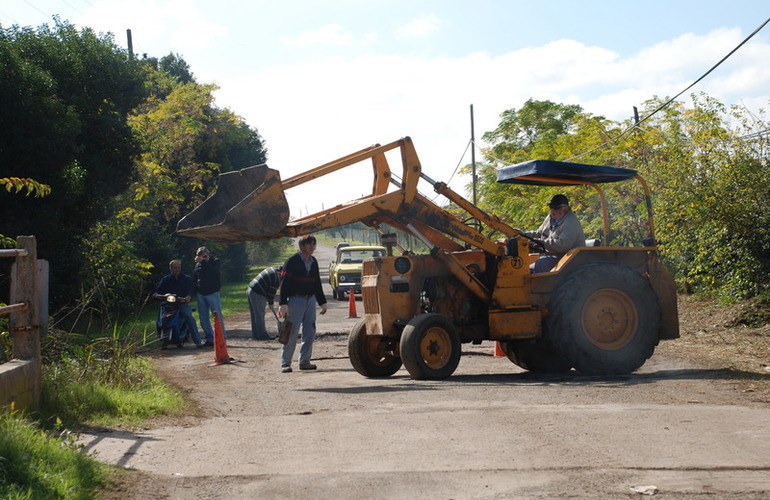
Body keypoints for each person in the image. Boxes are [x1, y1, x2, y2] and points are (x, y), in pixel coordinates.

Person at [278, 235, 327, 373]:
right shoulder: (292, 261)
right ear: (302, 246)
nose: (312, 247)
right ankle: (285, 363)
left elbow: (317, 283)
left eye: (313, 244)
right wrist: (283, 303)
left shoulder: (314, 262)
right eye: (309, 244)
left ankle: (304, 361)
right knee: (292, 332)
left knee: (310, 331)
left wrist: (322, 302)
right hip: (295, 300)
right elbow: (284, 283)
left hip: (310, 300)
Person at [525, 194, 586, 273]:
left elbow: (562, 245)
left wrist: (541, 242)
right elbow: (539, 233)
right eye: (551, 208)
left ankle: (540, 285)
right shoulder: (551, 217)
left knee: (542, 263)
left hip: (568, 259)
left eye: (555, 209)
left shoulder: (571, 222)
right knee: (526, 268)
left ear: (564, 209)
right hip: (552, 255)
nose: (552, 211)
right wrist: (523, 235)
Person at [153, 259, 203, 347]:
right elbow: (158, 290)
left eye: (178, 267)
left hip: (182, 303)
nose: (177, 269)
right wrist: (157, 295)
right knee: (161, 319)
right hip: (168, 304)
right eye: (175, 268)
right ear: (170, 268)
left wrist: (188, 296)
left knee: (189, 317)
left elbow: (191, 289)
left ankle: (198, 341)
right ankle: (162, 339)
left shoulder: (186, 278)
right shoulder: (166, 279)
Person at [194, 246, 225, 346]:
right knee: (203, 318)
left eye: (205, 255)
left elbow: (215, 272)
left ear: (208, 254)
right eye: (201, 256)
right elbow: (195, 277)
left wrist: (204, 262)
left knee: (217, 315)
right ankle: (210, 339)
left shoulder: (215, 261)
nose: (203, 257)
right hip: (201, 294)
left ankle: (221, 337)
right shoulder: (197, 264)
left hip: (213, 293)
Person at [247, 266, 283, 340]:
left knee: (255, 314)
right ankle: (262, 335)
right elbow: (271, 293)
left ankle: (256, 335)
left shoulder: (274, 270)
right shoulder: (277, 277)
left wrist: (270, 303)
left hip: (251, 289)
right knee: (260, 314)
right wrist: (271, 304)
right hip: (257, 292)